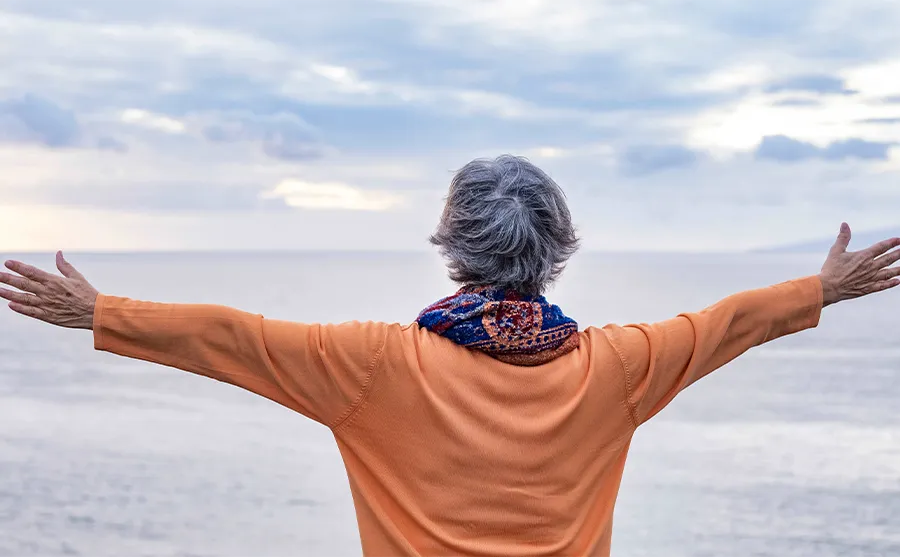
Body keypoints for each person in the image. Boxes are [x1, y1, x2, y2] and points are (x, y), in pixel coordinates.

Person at [1, 154, 898, 557]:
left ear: (452, 247)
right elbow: (725, 323)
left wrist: (100, 313)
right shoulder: (618, 369)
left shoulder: (370, 367)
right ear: (557, 250)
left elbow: (231, 336)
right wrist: (823, 289)